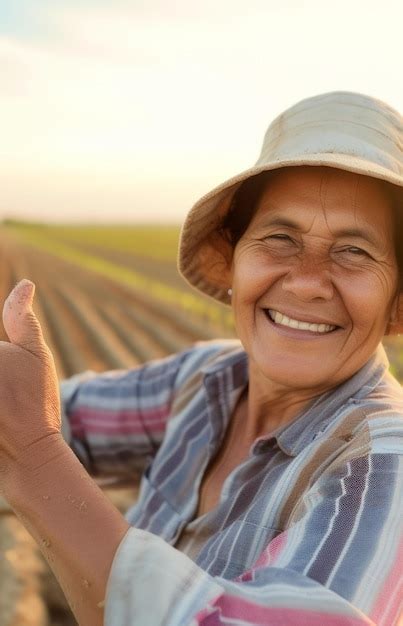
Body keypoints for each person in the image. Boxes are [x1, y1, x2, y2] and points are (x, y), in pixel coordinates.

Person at [0, 91, 402, 626]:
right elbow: (61, 416)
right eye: (279, 238)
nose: (307, 282)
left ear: (396, 299)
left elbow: (31, 434)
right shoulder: (207, 378)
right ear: (234, 264)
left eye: (354, 251)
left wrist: (34, 457)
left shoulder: (382, 466)